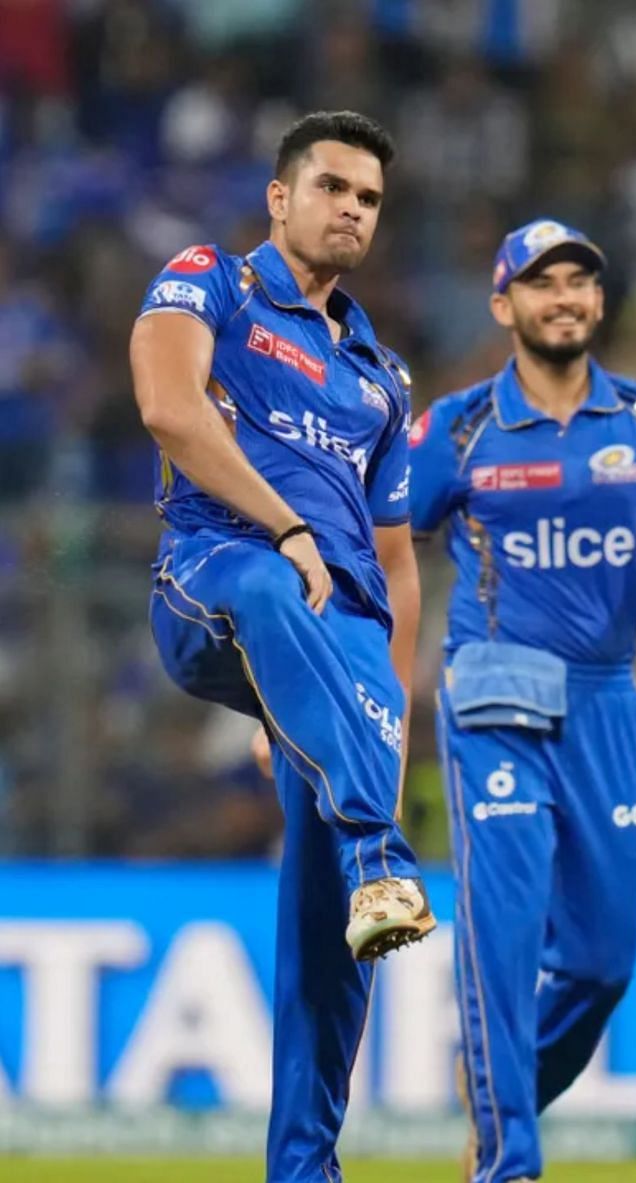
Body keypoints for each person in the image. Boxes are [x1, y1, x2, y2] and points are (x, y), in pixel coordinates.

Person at [410, 218, 636, 1183]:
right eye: (540, 282)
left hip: (607, 702)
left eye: (579, 283)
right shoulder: (458, 427)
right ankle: (508, 1161)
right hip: (494, 691)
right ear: (503, 305)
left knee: (604, 963)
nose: (562, 297)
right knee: (506, 930)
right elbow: (384, 539)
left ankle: (494, 1092)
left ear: (598, 303)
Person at [131, 110, 434, 1183]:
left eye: (370, 199)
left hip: (339, 643)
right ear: (280, 195)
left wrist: (376, 706)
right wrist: (293, 524)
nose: (352, 209)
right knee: (268, 579)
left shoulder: (383, 378)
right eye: (334, 188)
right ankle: (380, 848)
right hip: (215, 574)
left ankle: (303, 1170)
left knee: (331, 929)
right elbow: (169, 407)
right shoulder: (209, 277)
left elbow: (397, 565)